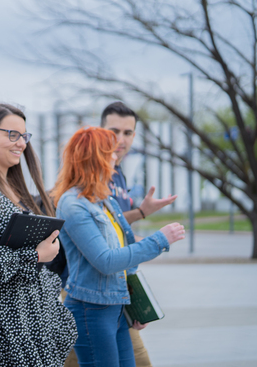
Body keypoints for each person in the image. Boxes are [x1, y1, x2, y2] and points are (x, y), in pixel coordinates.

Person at [52, 127, 185, 367]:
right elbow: (106, 260)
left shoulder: (105, 199)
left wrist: (135, 305)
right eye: (110, 152)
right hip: (89, 310)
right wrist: (159, 240)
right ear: (95, 157)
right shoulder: (72, 204)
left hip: (116, 307)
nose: (116, 156)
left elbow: (126, 255)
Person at [0, 103, 77, 367]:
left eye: (24, 136)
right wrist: (36, 255)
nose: (21, 143)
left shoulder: (12, 185)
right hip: (1, 328)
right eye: (12, 134)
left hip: (28, 323)